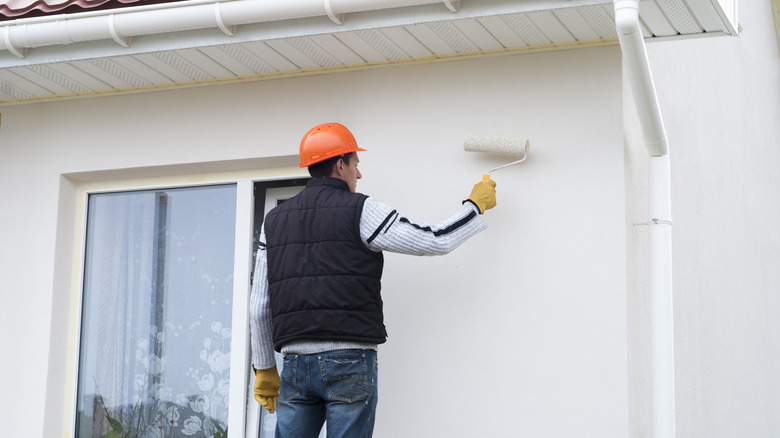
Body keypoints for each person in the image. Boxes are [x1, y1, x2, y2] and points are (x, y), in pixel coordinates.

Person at [249, 122, 497, 438]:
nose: (359, 174)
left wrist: (265, 368)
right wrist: (474, 207)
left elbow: (258, 308)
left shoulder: (275, 220)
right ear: (340, 164)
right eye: (356, 164)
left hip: (295, 364)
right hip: (349, 361)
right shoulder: (361, 209)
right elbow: (433, 240)